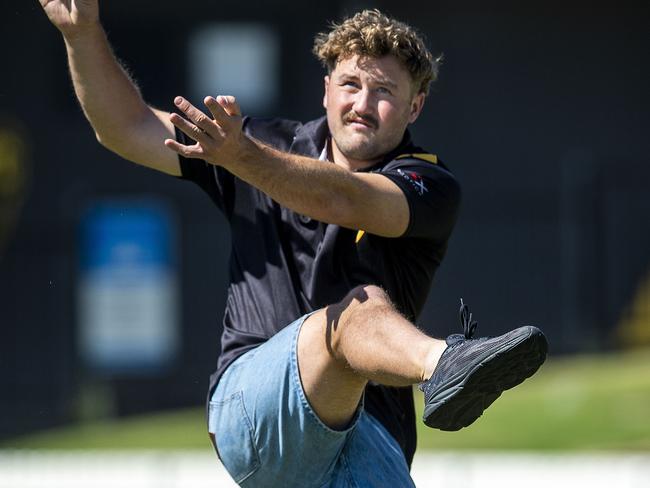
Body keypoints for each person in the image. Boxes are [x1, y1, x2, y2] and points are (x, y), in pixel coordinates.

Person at [40, 1, 548, 486]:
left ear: (415, 106)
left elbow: (345, 199)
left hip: (370, 438)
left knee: (354, 318)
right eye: (350, 84)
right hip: (251, 408)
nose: (362, 105)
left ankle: (444, 369)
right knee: (355, 311)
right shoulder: (252, 145)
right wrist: (80, 34)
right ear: (326, 88)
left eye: (384, 92)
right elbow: (125, 128)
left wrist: (243, 158)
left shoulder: (430, 182)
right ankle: (443, 364)